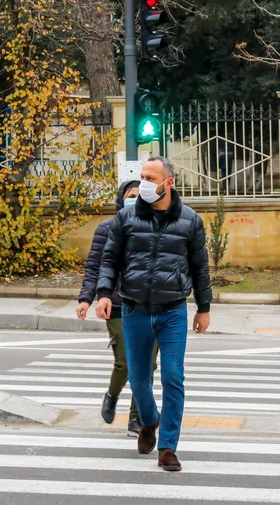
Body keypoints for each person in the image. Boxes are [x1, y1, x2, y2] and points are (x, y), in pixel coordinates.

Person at [95, 156, 212, 472]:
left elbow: (200, 267)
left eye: (150, 177)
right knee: (138, 378)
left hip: (173, 309)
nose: (144, 182)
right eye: (142, 176)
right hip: (133, 309)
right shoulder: (127, 217)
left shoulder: (190, 221)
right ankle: (148, 421)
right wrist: (104, 294)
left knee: (174, 377)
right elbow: (109, 259)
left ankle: (168, 448)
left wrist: (203, 307)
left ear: (168, 183)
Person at [76, 180, 159, 437]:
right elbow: (94, 268)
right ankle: (112, 394)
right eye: (129, 195)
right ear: (121, 200)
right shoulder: (107, 228)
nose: (134, 199)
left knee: (146, 366)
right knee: (125, 362)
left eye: (138, 195)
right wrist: (86, 298)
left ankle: (136, 419)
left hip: (151, 304)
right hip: (116, 303)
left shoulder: (156, 227)